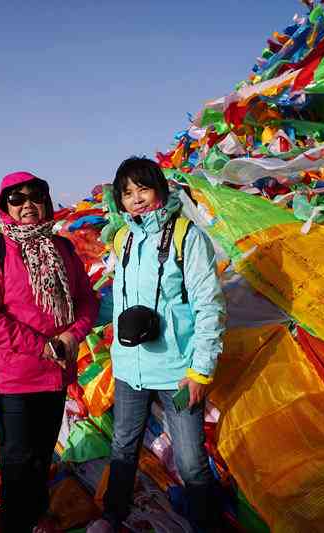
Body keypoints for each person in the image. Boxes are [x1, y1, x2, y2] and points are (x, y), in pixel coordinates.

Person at [0, 171, 98, 532]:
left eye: (35, 196)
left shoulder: (63, 248)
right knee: (18, 460)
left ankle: (36, 516)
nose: (27, 205)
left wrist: (73, 335)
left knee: (41, 454)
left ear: (46, 201)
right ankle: (17, 522)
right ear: (4, 206)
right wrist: (41, 345)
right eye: (16, 199)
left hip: (55, 374)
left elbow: (86, 300)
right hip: (13, 378)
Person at [101, 157, 226, 531]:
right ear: (119, 201)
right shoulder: (122, 237)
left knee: (191, 461)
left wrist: (201, 371)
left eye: (143, 188)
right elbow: (116, 300)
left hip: (178, 371)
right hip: (129, 369)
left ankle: (206, 524)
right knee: (123, 448)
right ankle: (113, 516)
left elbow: (210, 305)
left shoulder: (187, 235)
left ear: (159, 189)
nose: (136, 199)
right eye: (127, 193)